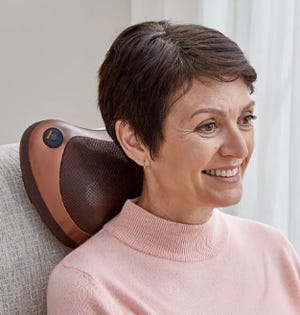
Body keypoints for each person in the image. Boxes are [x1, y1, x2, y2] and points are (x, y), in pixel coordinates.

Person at [47, 20, 300, 314]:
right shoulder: (90, 286)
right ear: (136, 142)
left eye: (245, 119)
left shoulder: (273, 250)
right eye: (208, 126)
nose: (240, 149)